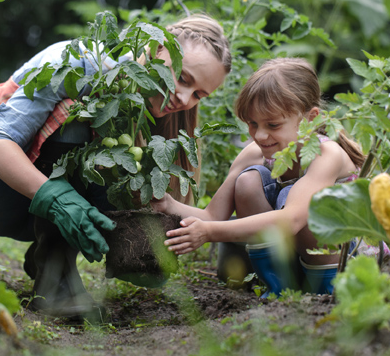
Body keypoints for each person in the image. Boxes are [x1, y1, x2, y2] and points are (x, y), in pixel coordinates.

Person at [0, 14, 232, 319]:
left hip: (32, 211)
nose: (184, 97)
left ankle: (49, 262)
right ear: (158, 49)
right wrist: (55, 197)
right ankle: (57, 282)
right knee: (79, 114)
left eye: (199, 95)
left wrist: (144, 241)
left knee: (118, 153)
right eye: (183, 79)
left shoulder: (158, 113)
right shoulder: (81, 64)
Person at [153, 58, 376, 296]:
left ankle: (324, 292)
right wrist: (167, 204)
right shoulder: (255, 152)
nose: (259, 135)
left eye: (273, 124)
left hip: (347, 263)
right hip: (297, 257)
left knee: (308, 204)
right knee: (248, 182)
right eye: (252, 123)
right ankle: (278, 288)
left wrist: (208, 232)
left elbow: (291, 220)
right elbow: (212, 215)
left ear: (310, 118)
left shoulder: (326, 154)